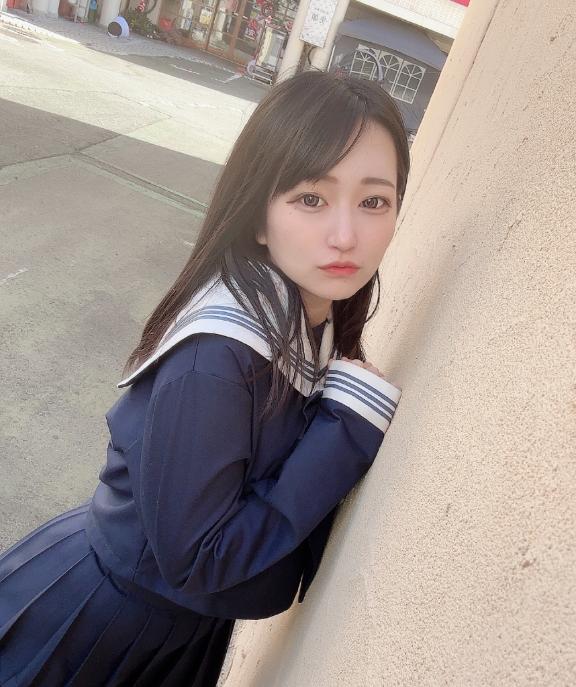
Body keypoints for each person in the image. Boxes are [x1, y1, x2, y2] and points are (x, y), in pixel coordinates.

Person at [0, 70, 410, 686]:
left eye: (374, 201)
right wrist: (347, 427)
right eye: (311, 198)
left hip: (167, 629)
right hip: (98, 628)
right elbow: (198, 559)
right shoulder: (216, 359)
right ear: (259, 214)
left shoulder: (306, 316)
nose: (346, 235)